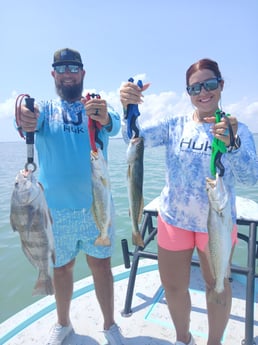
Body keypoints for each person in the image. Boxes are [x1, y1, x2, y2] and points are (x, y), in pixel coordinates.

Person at [120, 58, 258, 345]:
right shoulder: (175, 125)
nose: (203, 92)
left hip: (217, 223)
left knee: (217, 286)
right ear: (188, 92)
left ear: (220, 86)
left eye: (209, 85)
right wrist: (128, 109)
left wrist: (233, 144)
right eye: (195, 88)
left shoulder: (238, 128)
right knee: (173, 286)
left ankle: (214, 342)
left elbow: (251, 176)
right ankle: (184, 338)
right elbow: (133, 139)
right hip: (173, 221)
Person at [17, 48, 125, 345]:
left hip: (96, 208)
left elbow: (113, 123)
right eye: (61, 68)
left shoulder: (95, 105)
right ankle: (63, 324)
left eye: (73, 68)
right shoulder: (44, 109)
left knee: (101, 266)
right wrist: (23, 114)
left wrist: (103, 114)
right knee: (61, 269)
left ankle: (109, 324)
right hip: (55, 212)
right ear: (53, 74)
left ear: (82, 73)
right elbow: (24, 119)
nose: (67, 73)